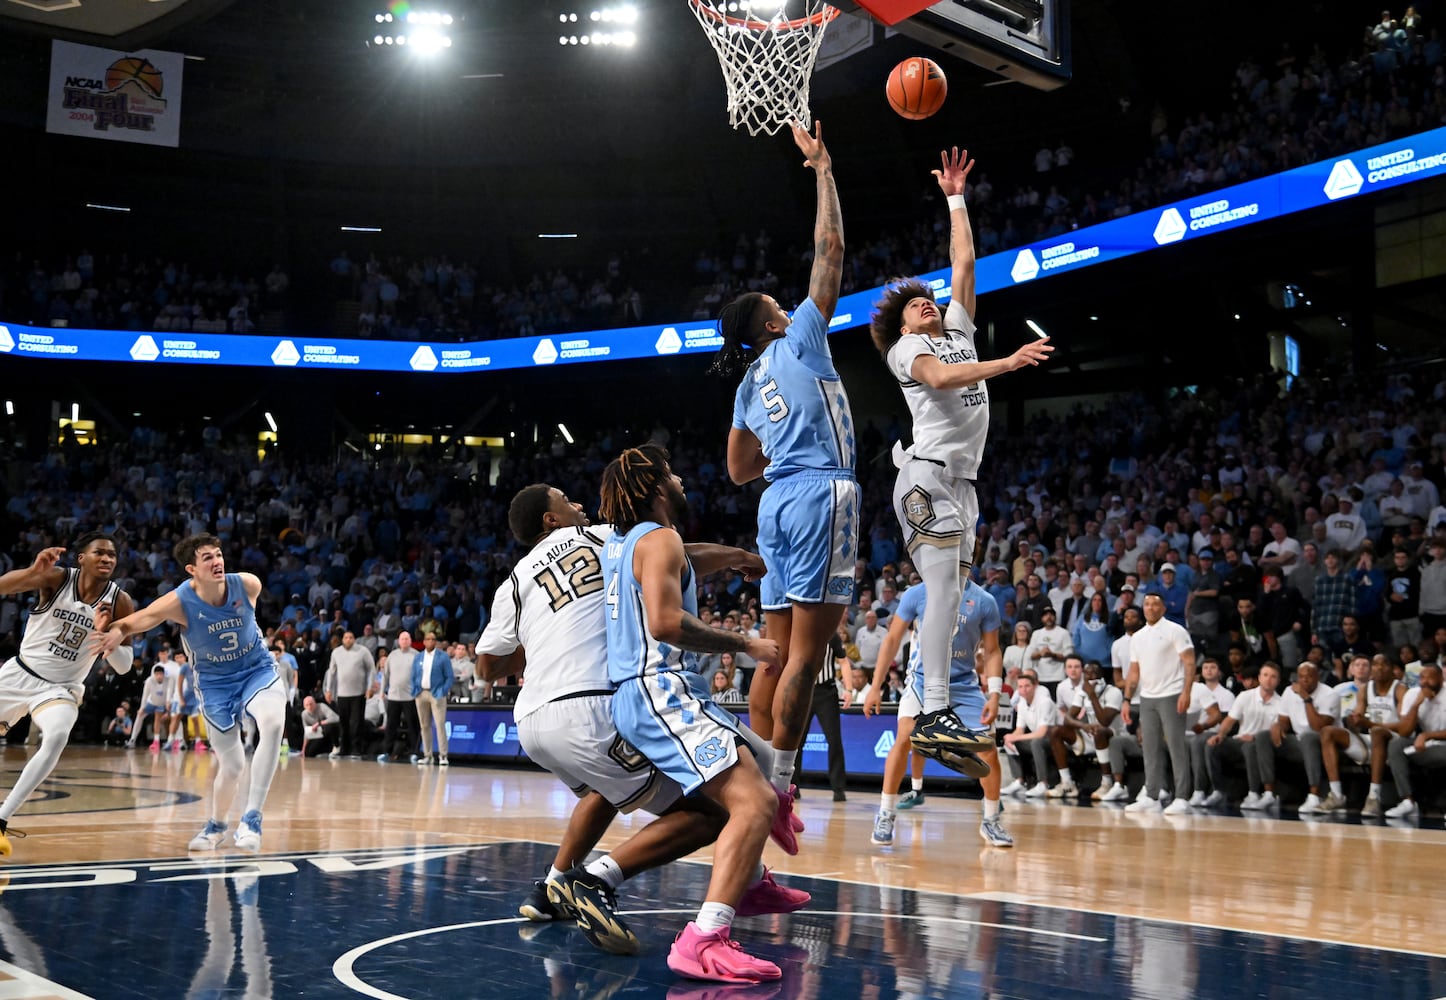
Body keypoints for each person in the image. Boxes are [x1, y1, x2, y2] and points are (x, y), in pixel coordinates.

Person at [478, 480, 805, 962]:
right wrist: (738, 555)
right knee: (716, 809)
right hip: (594, 705)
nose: (579, 504)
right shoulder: (602, 536)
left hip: (532, 719)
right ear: (551, 519)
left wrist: (546, 644)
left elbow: (487, 666)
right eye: (567, 501)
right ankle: (593, 882)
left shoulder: (515, 582)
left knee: (606, 789)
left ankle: (552, 887)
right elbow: (672, 553)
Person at [869, 145, 1052, 772]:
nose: (925, 305)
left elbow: (964, 261)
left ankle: (936, 712)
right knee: (943, 589)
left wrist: (955, 199)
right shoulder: (906, 353)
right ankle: (934, 711)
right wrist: (1007, 363)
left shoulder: (956, 331)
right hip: (923, 477)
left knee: (953, 592)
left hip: (962, 486)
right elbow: (942, 382)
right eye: (913, 307)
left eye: (926, 301)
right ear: (901, 327)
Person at [598, 445, 789, 983]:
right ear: (659, 488)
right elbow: (663, 622)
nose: (682, 477)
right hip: (660, 689)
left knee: (765, 761)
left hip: (649, 692)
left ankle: (749, 877)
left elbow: (682, 558)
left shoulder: (627, 541)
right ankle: (704, 938)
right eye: (672, 473)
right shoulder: (658, 539)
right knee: (753, 802)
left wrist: (734, 555)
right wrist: (744, 643)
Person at [715, 122, 857, 828]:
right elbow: (829, 251)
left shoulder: (747, 383)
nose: (785, 302)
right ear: (774, 324)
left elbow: (739, 469)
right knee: (809, 654)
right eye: (777, 304)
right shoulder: (799, 335)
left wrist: (784, 442)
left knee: (771, 654)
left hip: (774, 504)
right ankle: (783, 790)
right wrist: (823, 169)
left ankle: (753, 778)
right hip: (821, 489)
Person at [93, 534, 286, 853]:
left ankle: (252, 818)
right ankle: (217, 825)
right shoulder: (180, 601)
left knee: (273, 723)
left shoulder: (248, 584)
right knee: (233, 766)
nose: (217, 561)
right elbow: (139, 620)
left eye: (219, 554)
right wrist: (115, 630)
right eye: (207, 557)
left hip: (257, 670)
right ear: (191, 569)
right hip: (214, 684)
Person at [0, 535, 135, 855]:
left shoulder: (120, 602)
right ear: (81, 559)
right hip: (19, 674)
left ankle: (2, 819)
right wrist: (32, 572)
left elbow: (125, 666)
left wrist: (106, 635)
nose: (107, 558)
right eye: (99, 553)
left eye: (112, 555)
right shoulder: (58, 578)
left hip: (61, 688)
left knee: (57, 735)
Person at [865, 578, 1011, 848]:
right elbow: (893, 638)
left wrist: (994, 693)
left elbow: (991, 650)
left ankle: (991, 820)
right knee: (906, 736)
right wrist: (875, 686)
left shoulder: (983, 600)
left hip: (963, 684)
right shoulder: (918, 593)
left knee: (988, 749)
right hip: (922, 680)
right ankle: (886, 812)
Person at [1121, 593, 1196, 814]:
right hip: (1147, 696)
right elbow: (1134, 672)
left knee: (1175, 745)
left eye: (1155, 604)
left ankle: (1182, 797)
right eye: (1147, 604)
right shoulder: (1138, 637)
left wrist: (1186, 692)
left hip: (1172, 693)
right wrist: (1126, 700)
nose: (1150, 608)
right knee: (1150, 747)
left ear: (1163, 608)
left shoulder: (1175, 630)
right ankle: (1152, 795)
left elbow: (1190, 662)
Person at [411, 630, 453, 766]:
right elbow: (413, 675)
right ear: (424, 642)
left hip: (437, 694)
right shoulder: (418, 657)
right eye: (428, 639)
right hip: (421, 693)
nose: (430, 641)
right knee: (424, 726)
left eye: (433, 639)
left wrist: (443, 690)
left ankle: (443, 755)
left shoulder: (443, 657)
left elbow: (449, 677)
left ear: (435, 642)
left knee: (440, 725)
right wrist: (415, 690)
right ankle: (427, 755)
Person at [378, 631, 420, 763]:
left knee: (413, 725)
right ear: (398, 641)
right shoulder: (392, 655)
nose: (405, 641)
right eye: (402, 639)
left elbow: (420, 675)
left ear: (410, 640)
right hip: (394, 696)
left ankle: (415, 752)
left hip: (410, 697)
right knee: (391, 725)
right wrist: (381, 691)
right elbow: (386, 675)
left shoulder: (416, 655)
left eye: (407, 639)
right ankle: (387, 751)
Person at [130, 664, 170, 750]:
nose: (159, 676)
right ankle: (132, 739)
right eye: (157, 674)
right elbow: (145, 695)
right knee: (139, 716)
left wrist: (167, 711)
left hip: (162, 704)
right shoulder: (149, 681)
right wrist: (142, 708)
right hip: (151, 703)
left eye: (160, 674)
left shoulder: (168, 681)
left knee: (158, 719)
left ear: (163, 674)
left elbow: (170, 696)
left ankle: (156, 741)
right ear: (154, 674)